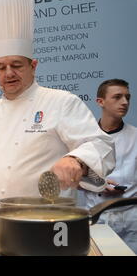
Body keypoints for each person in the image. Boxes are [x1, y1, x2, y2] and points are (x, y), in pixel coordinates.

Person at [0, 0, 115, 212]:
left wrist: (77, 160)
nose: (9, 73)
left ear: (33, 66)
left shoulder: (61, 102)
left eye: (16, 65)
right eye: (1, 67)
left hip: (46, 220)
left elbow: (102, 144)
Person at [79, 79, 136, 253]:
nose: (125, 102)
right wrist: (98, 185)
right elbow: (73, 176)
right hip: (97, 216)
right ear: (100, 101)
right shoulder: (83, 138)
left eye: (127, 97)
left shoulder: (136, 136)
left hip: (131, 218)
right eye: (117, 97)